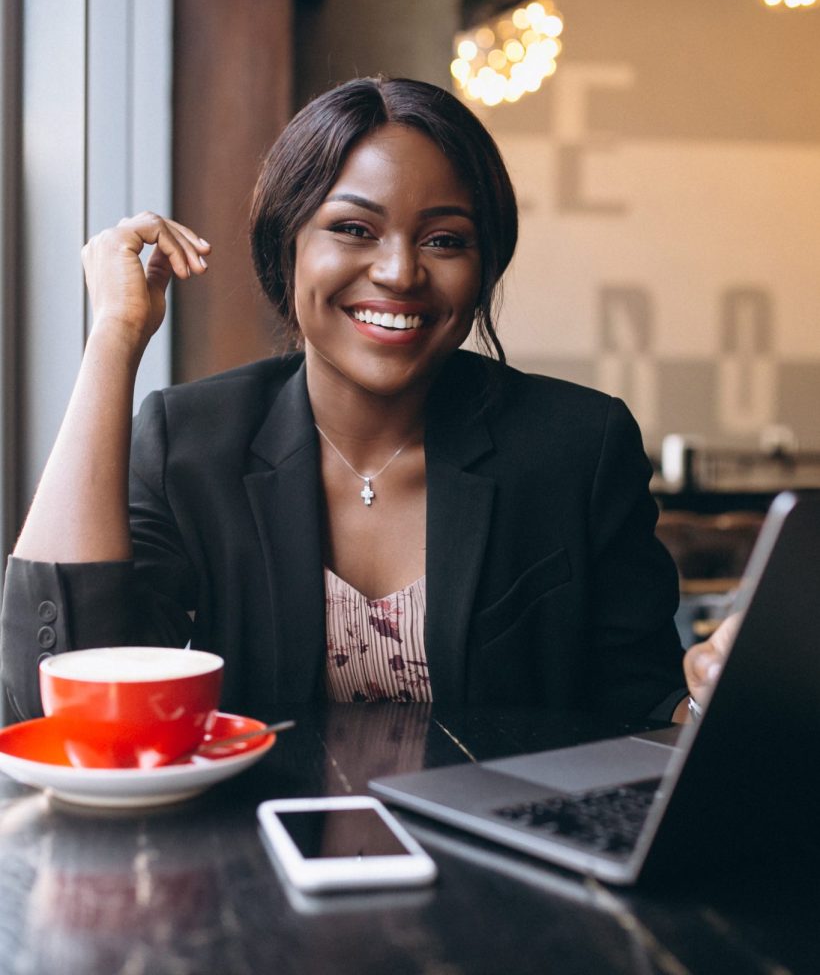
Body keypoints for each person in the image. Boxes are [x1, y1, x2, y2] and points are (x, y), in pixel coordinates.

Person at [0, 76, 730, 724]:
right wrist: (114, 337)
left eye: (446, 240)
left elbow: (640, 703)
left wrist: (706, 694)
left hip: (502, 868)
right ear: (286, 247)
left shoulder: (578, 445)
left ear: (484, 269)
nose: (399, 271)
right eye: (353, 229)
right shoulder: (191, 442)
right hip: (252, 859)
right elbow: (51, 691)